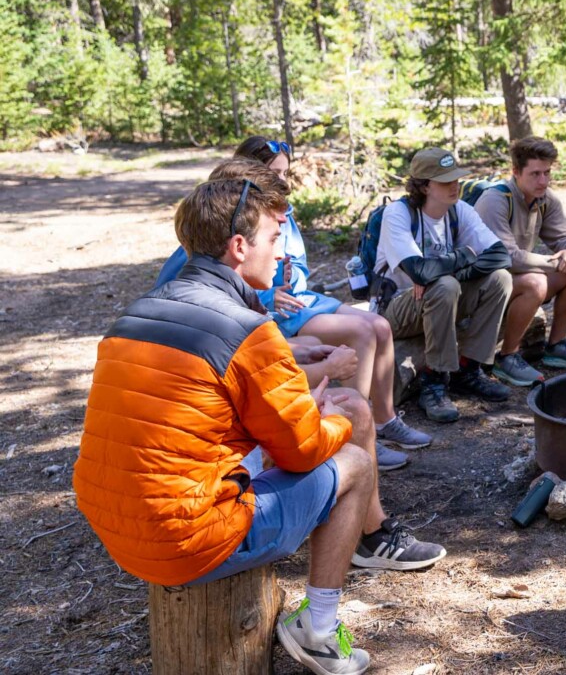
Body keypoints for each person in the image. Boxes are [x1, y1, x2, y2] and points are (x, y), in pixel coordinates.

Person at [76, 179, 443, 675]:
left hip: (114, 525)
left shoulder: (136, 314)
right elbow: (303, 452)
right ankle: (317, 628)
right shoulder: (248, 330)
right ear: (239, 246)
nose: (282, 252)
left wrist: (300, 389)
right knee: (353, 459)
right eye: (275, 238)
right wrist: (337, 417)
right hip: (184, 539)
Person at [156, 138, 433, 472]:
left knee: (372, 327)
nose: (283, 219)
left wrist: (288, 280)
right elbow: (242, 367)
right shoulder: (201, 276)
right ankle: (353, 434)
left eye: (285, 174)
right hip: (204, 454)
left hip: (293, 307)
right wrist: (323, 367)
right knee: (347, 340)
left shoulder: (253, 239)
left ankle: (374, 424)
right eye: (275, 177)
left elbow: (293, 271)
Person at [376, 147, 514, 423]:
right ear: (425, 186)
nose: (455, 186)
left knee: (500, 279)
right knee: (444, 285)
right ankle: (434, 381)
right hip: (396, 309)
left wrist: (448, 274)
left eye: (456, 178)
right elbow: (418, 270)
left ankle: (468, 368)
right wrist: (463, 256)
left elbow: (501, 255)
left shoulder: (458, 210)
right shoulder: (398, 214)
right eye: (446, 181)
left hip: (440, 295)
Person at [475, 137, 566, 386]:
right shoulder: (495, 201)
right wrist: (556, 262)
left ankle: (556, 346)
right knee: (535, 282)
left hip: (513, 280)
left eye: (547, 173)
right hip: (482, 288)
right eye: (535, 174)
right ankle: (507, 357)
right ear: (516, 172)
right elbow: (506, 257)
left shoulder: (545, 199)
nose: (543, 181)